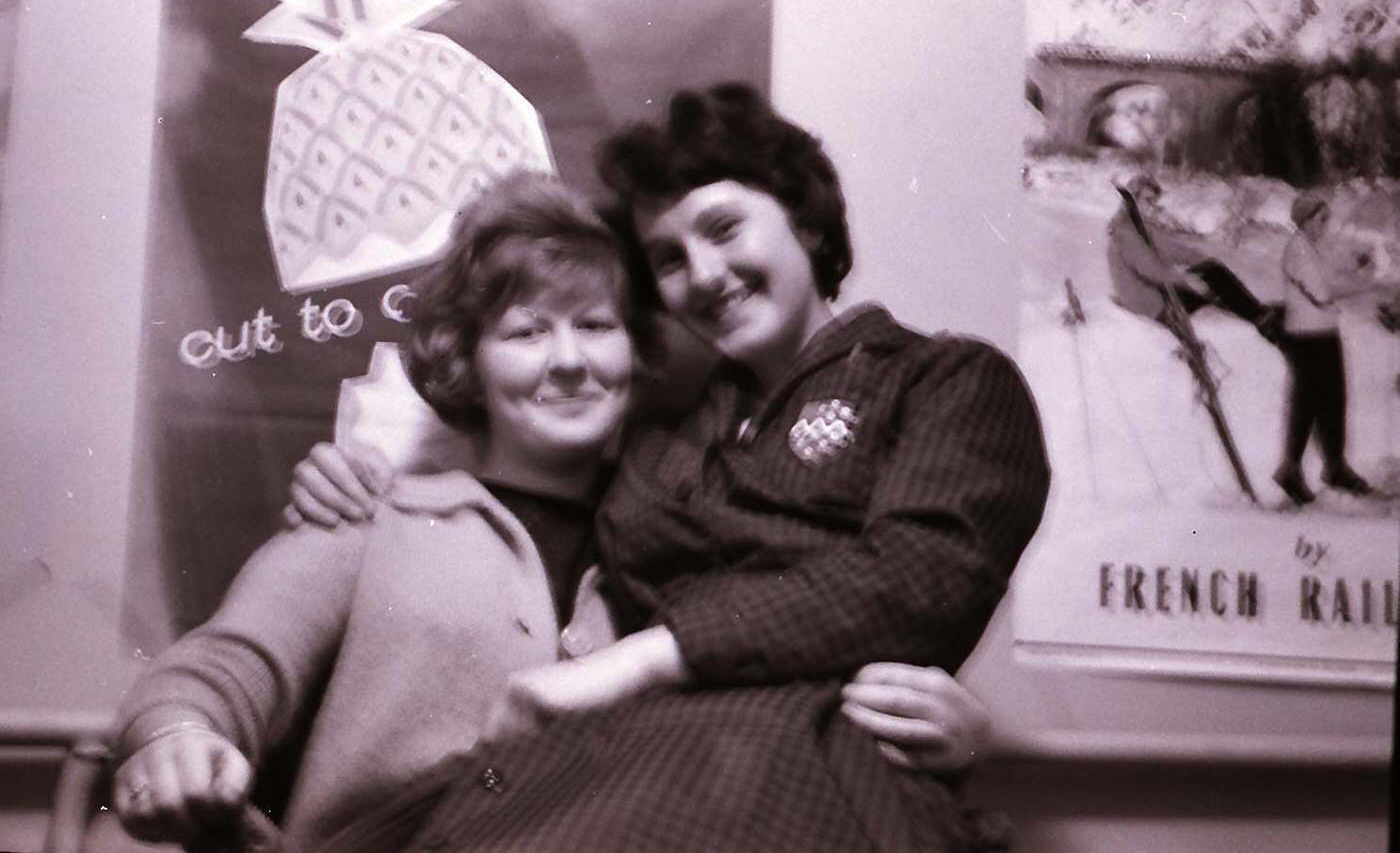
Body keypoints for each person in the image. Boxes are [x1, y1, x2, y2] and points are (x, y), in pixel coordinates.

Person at [109, 174, 990, 853]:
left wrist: (943, 724)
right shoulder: (376, 517)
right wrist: (177, 739)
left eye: (596, 326)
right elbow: (218, 670)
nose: (568, 361)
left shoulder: (694, 548)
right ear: (469, 360)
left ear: (635, 351)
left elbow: (781, 682)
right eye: (528, 333)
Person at [300, 83, 1051, 853]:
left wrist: (648, 657)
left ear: (808, 220)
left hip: (802, 764)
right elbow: (520, 467)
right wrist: (364, 484)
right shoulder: (661, 432)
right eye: (668, 259)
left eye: (724, 228)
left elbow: (917, 574)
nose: (705, 273)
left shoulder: (943, 380)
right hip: (633, 760)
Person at [1273, 189, 1374, 505]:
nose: (1326, 224)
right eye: (1321, 219)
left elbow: (1331, 279)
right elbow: (1321, 292)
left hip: (1323, 333)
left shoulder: (1312, 248)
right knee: (1307, 405)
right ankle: (1292, 469)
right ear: (1304, 220)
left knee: (1333, 401)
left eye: (1327, 218)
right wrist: (1362, 284)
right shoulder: (1298, 250)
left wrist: (1358, 270)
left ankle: (1334, 465)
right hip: (1307, 337)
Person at [1107, 172, 1282, 340]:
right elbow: (1152, 270)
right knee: (1211, 280)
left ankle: (1256, 312)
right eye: (1147, 200)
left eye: (1154, 201)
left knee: (1212, 273)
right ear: (1132, 200)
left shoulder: (1139, 226)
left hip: (1154, 296)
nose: (1152, 206)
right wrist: (1187, 279)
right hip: (1153, 307)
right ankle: (1261, 319)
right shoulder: (1126, 233)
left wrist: (1203, 260)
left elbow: (1174, 249)